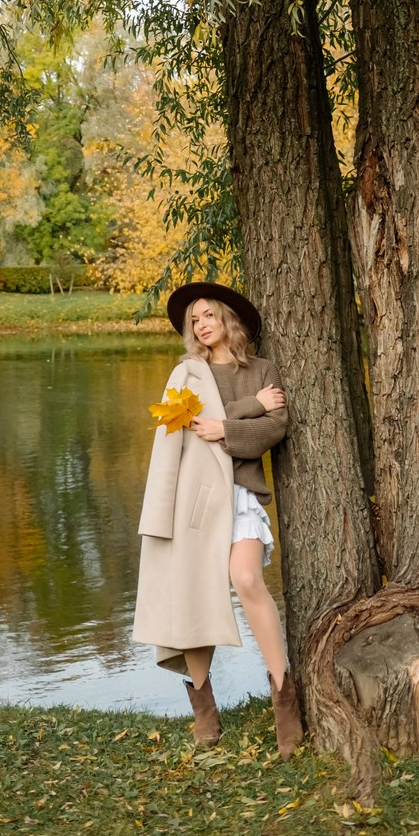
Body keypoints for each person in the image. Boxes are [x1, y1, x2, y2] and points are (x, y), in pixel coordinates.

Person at [132, 280, 304, 758]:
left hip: (241, 493)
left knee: (246, 579)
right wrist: (249, 409)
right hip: (195, 501)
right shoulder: (186, 374)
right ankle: (204, 707)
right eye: (195, 320)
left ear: (228, 318)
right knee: (195, 596)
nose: (202, 325)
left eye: (209, 315)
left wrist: (224, 427)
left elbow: (275, 427)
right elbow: (187, 431)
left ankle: (283, 695)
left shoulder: (262, 370)